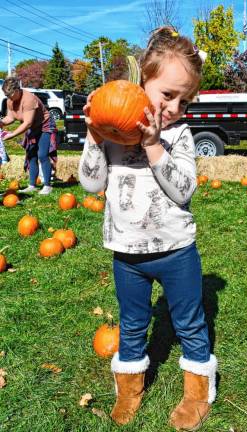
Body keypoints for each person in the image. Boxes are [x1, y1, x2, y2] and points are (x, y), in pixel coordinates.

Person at [79, 27, 217, 431]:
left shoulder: (179, 135)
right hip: (128, 255)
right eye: (167, 95)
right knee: (134, 323)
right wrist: (93, 133)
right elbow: (90, 183)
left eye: (184, 100)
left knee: (189, 321)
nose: (175, 106)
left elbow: (183, 189)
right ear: (143, 83)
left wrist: (156, 144)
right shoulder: (113, 130)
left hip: (177, 252)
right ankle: (129, 389)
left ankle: (197, 394)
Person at [0, 77, 57, 195]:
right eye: (6, 95)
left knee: (42, 154)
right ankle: (32, 185)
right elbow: (10, 118)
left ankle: (47, 186)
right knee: (31, 154)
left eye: (10, 94)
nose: (8, 97)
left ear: (17, 90)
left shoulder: (29, 99)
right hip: (32, 128)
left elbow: (27, 123)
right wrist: (2, 123)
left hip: (44, 126)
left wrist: (12, 134)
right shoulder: (10, 100)